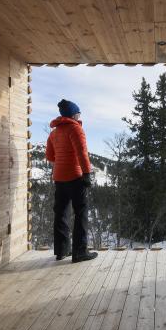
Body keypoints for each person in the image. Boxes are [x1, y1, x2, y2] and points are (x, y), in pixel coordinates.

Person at [46, 99, 98, 263]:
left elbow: (49, 156)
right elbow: (82, 153)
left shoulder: (54, 133)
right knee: (81, 213)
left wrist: (61, 160)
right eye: (79, 113)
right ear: (74, 114)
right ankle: (80, 252)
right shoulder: (76, 129)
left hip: (59, 178)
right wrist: (87, 174)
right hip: (75, 177)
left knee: (61, 213)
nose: (80, 116)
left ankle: (62, 251)